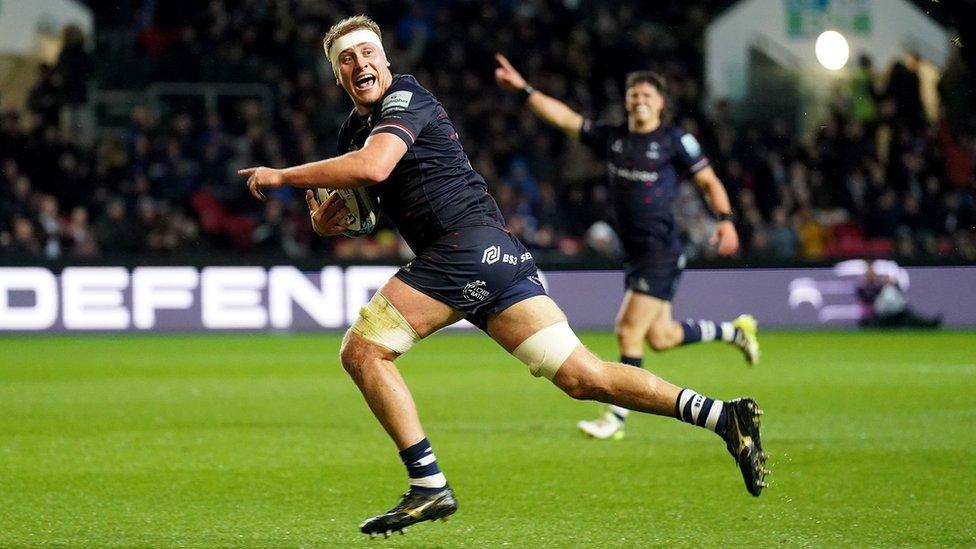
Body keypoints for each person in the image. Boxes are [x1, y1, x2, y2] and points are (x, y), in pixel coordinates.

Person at [239, 16, 768, 538]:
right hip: (492, 254)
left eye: (367, 52)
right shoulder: (355, 130)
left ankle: (428, 484)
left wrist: (283, 175)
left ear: (385, 59)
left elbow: (375, 167)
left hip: (462, 248)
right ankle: (725, 417)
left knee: (363, 351)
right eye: (346, 59)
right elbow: (372, 204)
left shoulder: (406, 96)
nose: (360, 63)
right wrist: (330, 223)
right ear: (337, 77)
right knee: (584, 378)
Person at [494, 54, 760, 440]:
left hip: (661, 250)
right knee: (662, 336)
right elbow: (564, 118)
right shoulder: (614, 138)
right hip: (635, 252)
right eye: (633, 93)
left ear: (661, 102)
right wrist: (525, 89)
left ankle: (615, 418)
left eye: (647, 94)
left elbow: (709, 181)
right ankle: (735, 332)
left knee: (628, 332)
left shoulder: (674, 140)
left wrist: (726, 220)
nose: (639, 99)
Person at [856, 263, 941, 328]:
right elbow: (869, 298)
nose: (872, 274)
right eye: (870, 272)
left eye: (873, 272)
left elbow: (899, 293)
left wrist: (892, 283)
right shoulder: (865, 286)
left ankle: (929, 324)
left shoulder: (882, 285)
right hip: (877, 314)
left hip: (894, 312)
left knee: (910, 316)